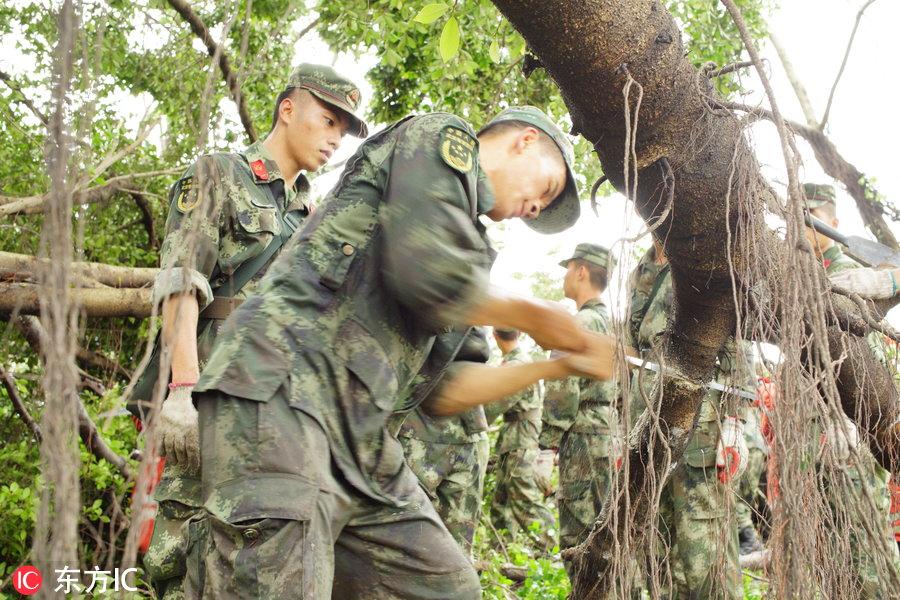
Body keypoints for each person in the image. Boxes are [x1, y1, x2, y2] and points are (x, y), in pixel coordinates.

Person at [186, 106, 619, 598]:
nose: (538, 208)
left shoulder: (472, 252)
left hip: (360, 441)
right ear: (524, 141)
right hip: (281, 390)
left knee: (448, 589)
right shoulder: (441, 137)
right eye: (545, 187)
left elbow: (449, 391)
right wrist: (554, 322)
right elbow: (427, 272)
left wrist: (559, 362)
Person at [133, 64, 367, 599]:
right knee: (186, 541)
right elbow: (182, 281)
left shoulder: (313, 214)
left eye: (344, 131)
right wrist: (184, 388)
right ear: (288, 108)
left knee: (260, 551)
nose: (334, 139)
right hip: (214, 386)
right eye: (328, 119)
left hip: (280, 405)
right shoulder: (220, 175)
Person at [625, 240, 746, 599]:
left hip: (701, 427)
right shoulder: (642, 269)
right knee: (656, 544)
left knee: (704, 554)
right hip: (647, 422)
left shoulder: (702, 255)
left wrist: (737, 424)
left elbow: (737, 339)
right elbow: (632, 351)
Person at [803, 182, 899, 597]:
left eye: (812, 216)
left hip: (849, 433)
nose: (801, 226)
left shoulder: (847, 274)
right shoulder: (797, 273)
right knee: (827, 562)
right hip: (810, 439)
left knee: (865, 561)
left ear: (834, 223)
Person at [540, 243, 620, 572]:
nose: (565, 276)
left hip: (582, 438)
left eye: (568, 268)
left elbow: (562, 387)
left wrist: (546, 444)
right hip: (608, 431)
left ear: (582, 271)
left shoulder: (579, 323)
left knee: (579, 538)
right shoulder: (613, 323)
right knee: (606, 532)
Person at [389, 328, 492, 557]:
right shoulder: (471, 309)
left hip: (423, 428)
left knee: (408, 542)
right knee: (453, 549)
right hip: (458, 428)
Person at [486, 327, 556, 550]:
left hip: (521, 439)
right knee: (502, 501)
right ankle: (500, 553)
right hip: (514, 438)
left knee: (524, 501)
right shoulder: (515, 361)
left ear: (494, 336)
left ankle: (552, 549)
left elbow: (494, 405)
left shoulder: (517, 365)